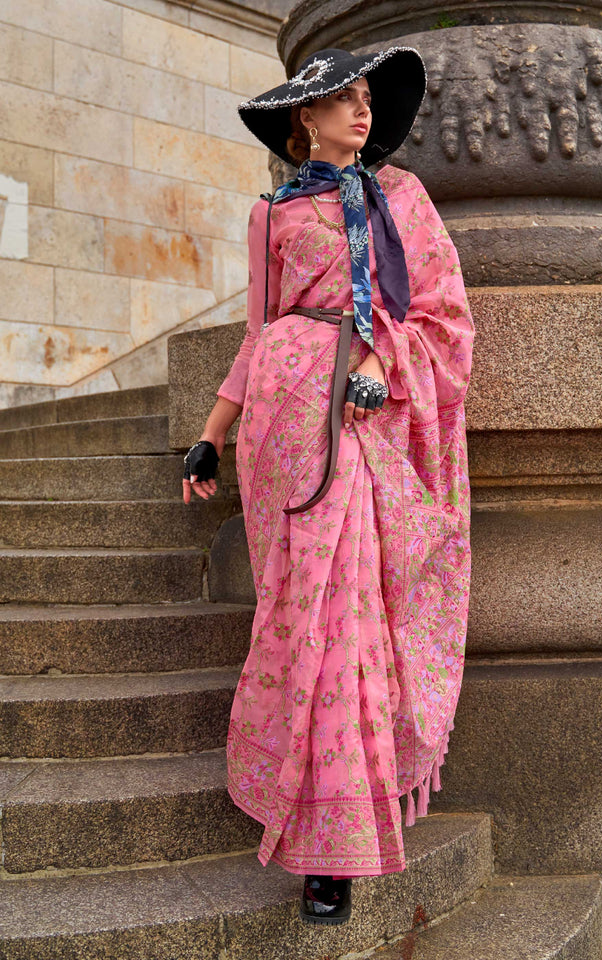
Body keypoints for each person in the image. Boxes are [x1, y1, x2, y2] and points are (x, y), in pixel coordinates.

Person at [182, 46, 475, 926]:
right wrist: (209, 436)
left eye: (365, 99)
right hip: (278, 418)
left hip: (356, 411)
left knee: (342, 614)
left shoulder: (404, 200)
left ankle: (331, 852)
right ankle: (306, 813)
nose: (362, 112)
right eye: (343, 100)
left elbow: (442, 313)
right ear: (302, 118)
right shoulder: (270, 212)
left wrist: (383, 361)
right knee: (293, 613)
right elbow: (257, 332)